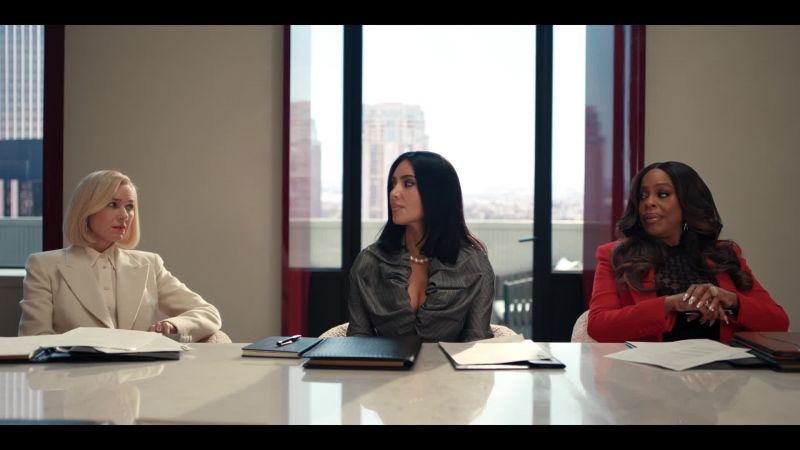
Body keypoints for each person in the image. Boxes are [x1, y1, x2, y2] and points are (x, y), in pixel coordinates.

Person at [588, 161, 789, 343]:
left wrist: (732, 301)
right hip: (647, 370)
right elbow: (599, 326)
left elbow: (779, 323)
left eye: (662, 194)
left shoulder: (723, 254)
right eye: (643, 196)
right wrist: (669, 304)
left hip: (720, 369)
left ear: (687, 202)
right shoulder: (616, 256)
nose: (648, 203)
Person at [19, 170, 222, 341]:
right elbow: (33, 338)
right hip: (73, 374)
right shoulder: (43, 266)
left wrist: (173, 325)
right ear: (86, 209)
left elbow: (208, 313)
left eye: (130, 206)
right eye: (113, 204)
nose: (125, 215)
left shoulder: (150, 264)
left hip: (140, 375)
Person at [346, 151, 495, 342]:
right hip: (384, 362)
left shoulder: (475, 265)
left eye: (408, 183)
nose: (394, 193)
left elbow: (477, 342)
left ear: (437, 193)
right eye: (393, 184)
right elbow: (357, 340)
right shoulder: (368, 262)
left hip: (451, 363)